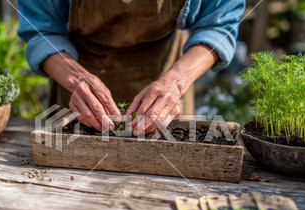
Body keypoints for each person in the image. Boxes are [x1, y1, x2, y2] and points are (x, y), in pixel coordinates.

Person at [17, 0, 245, 135]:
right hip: (76, 67)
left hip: (166, 65)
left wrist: (174, 83)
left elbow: (219, 24)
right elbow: (40, 30)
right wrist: (76, 79)